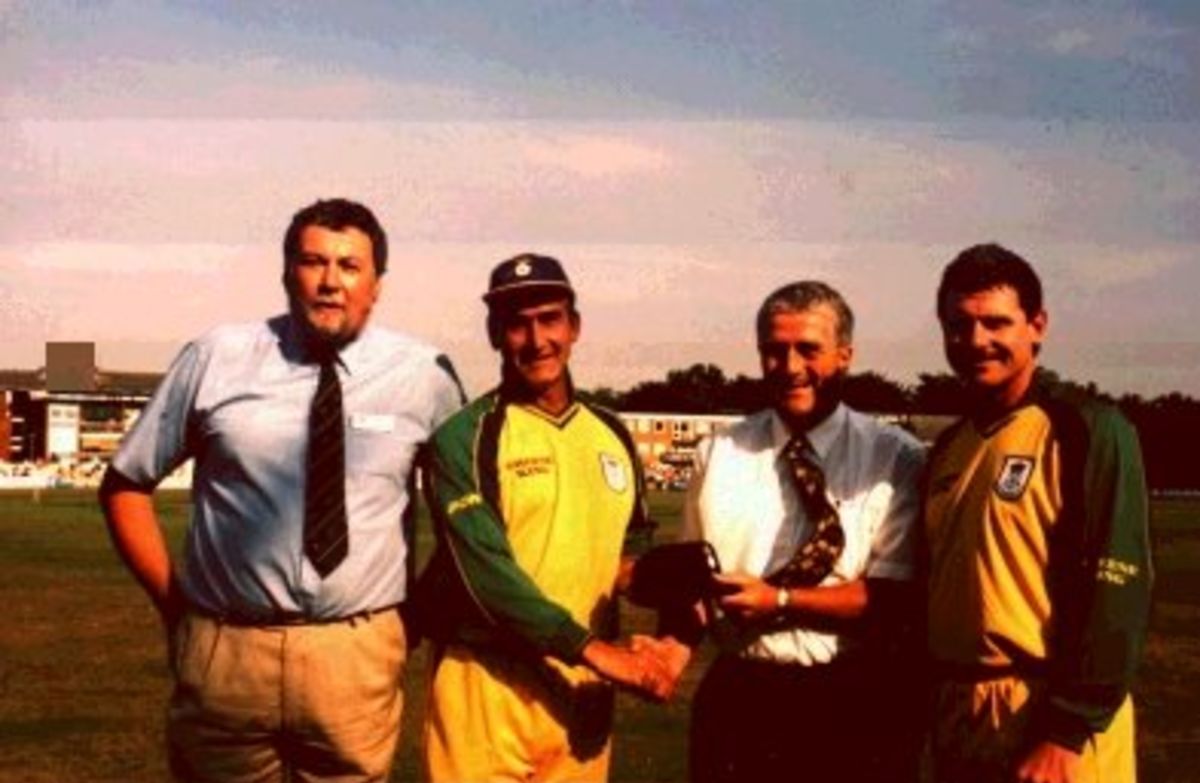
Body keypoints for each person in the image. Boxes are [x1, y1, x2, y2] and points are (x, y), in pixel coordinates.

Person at [98, 198, 464, 782]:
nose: (330, 281)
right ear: (287, 273)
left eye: (350, 266)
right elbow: (125, 484)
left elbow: (465, 518)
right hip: (227, 655)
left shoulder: (425, 375)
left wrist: (408, 620)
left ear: (377, 285)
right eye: (313, 262)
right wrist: (175, 607)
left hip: (357, 654)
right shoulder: (216, 357)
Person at [414, 252, 673, 783]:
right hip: (486, 686)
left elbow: (628, 555)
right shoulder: (463, 437)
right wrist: (597, 653)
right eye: (517, 324)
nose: (537, 340)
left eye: (550, 319)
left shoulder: (611, 433)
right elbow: (487, 574)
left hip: (580, 692)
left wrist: (668, 582)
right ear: (495, 335)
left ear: (574, 327)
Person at [664, 280, 926, 783]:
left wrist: (780, 601)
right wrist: (669, 649)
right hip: (739, 699)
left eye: (808, 349)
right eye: (774, 350)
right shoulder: (718, 453)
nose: (789, 367)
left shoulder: (896, 457)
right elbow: (692, 586)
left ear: (845, 355)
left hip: (852, 701)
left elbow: (894, 597)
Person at [924, 243, 1153, 783]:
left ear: (1037, 325)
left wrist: (1066, 731)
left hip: (1052, 720)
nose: (976, 340)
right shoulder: (949, 446)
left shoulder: (1087, 429)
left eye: (996, 323)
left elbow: (1117, 588)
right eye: (959, 325)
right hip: (959, 712)